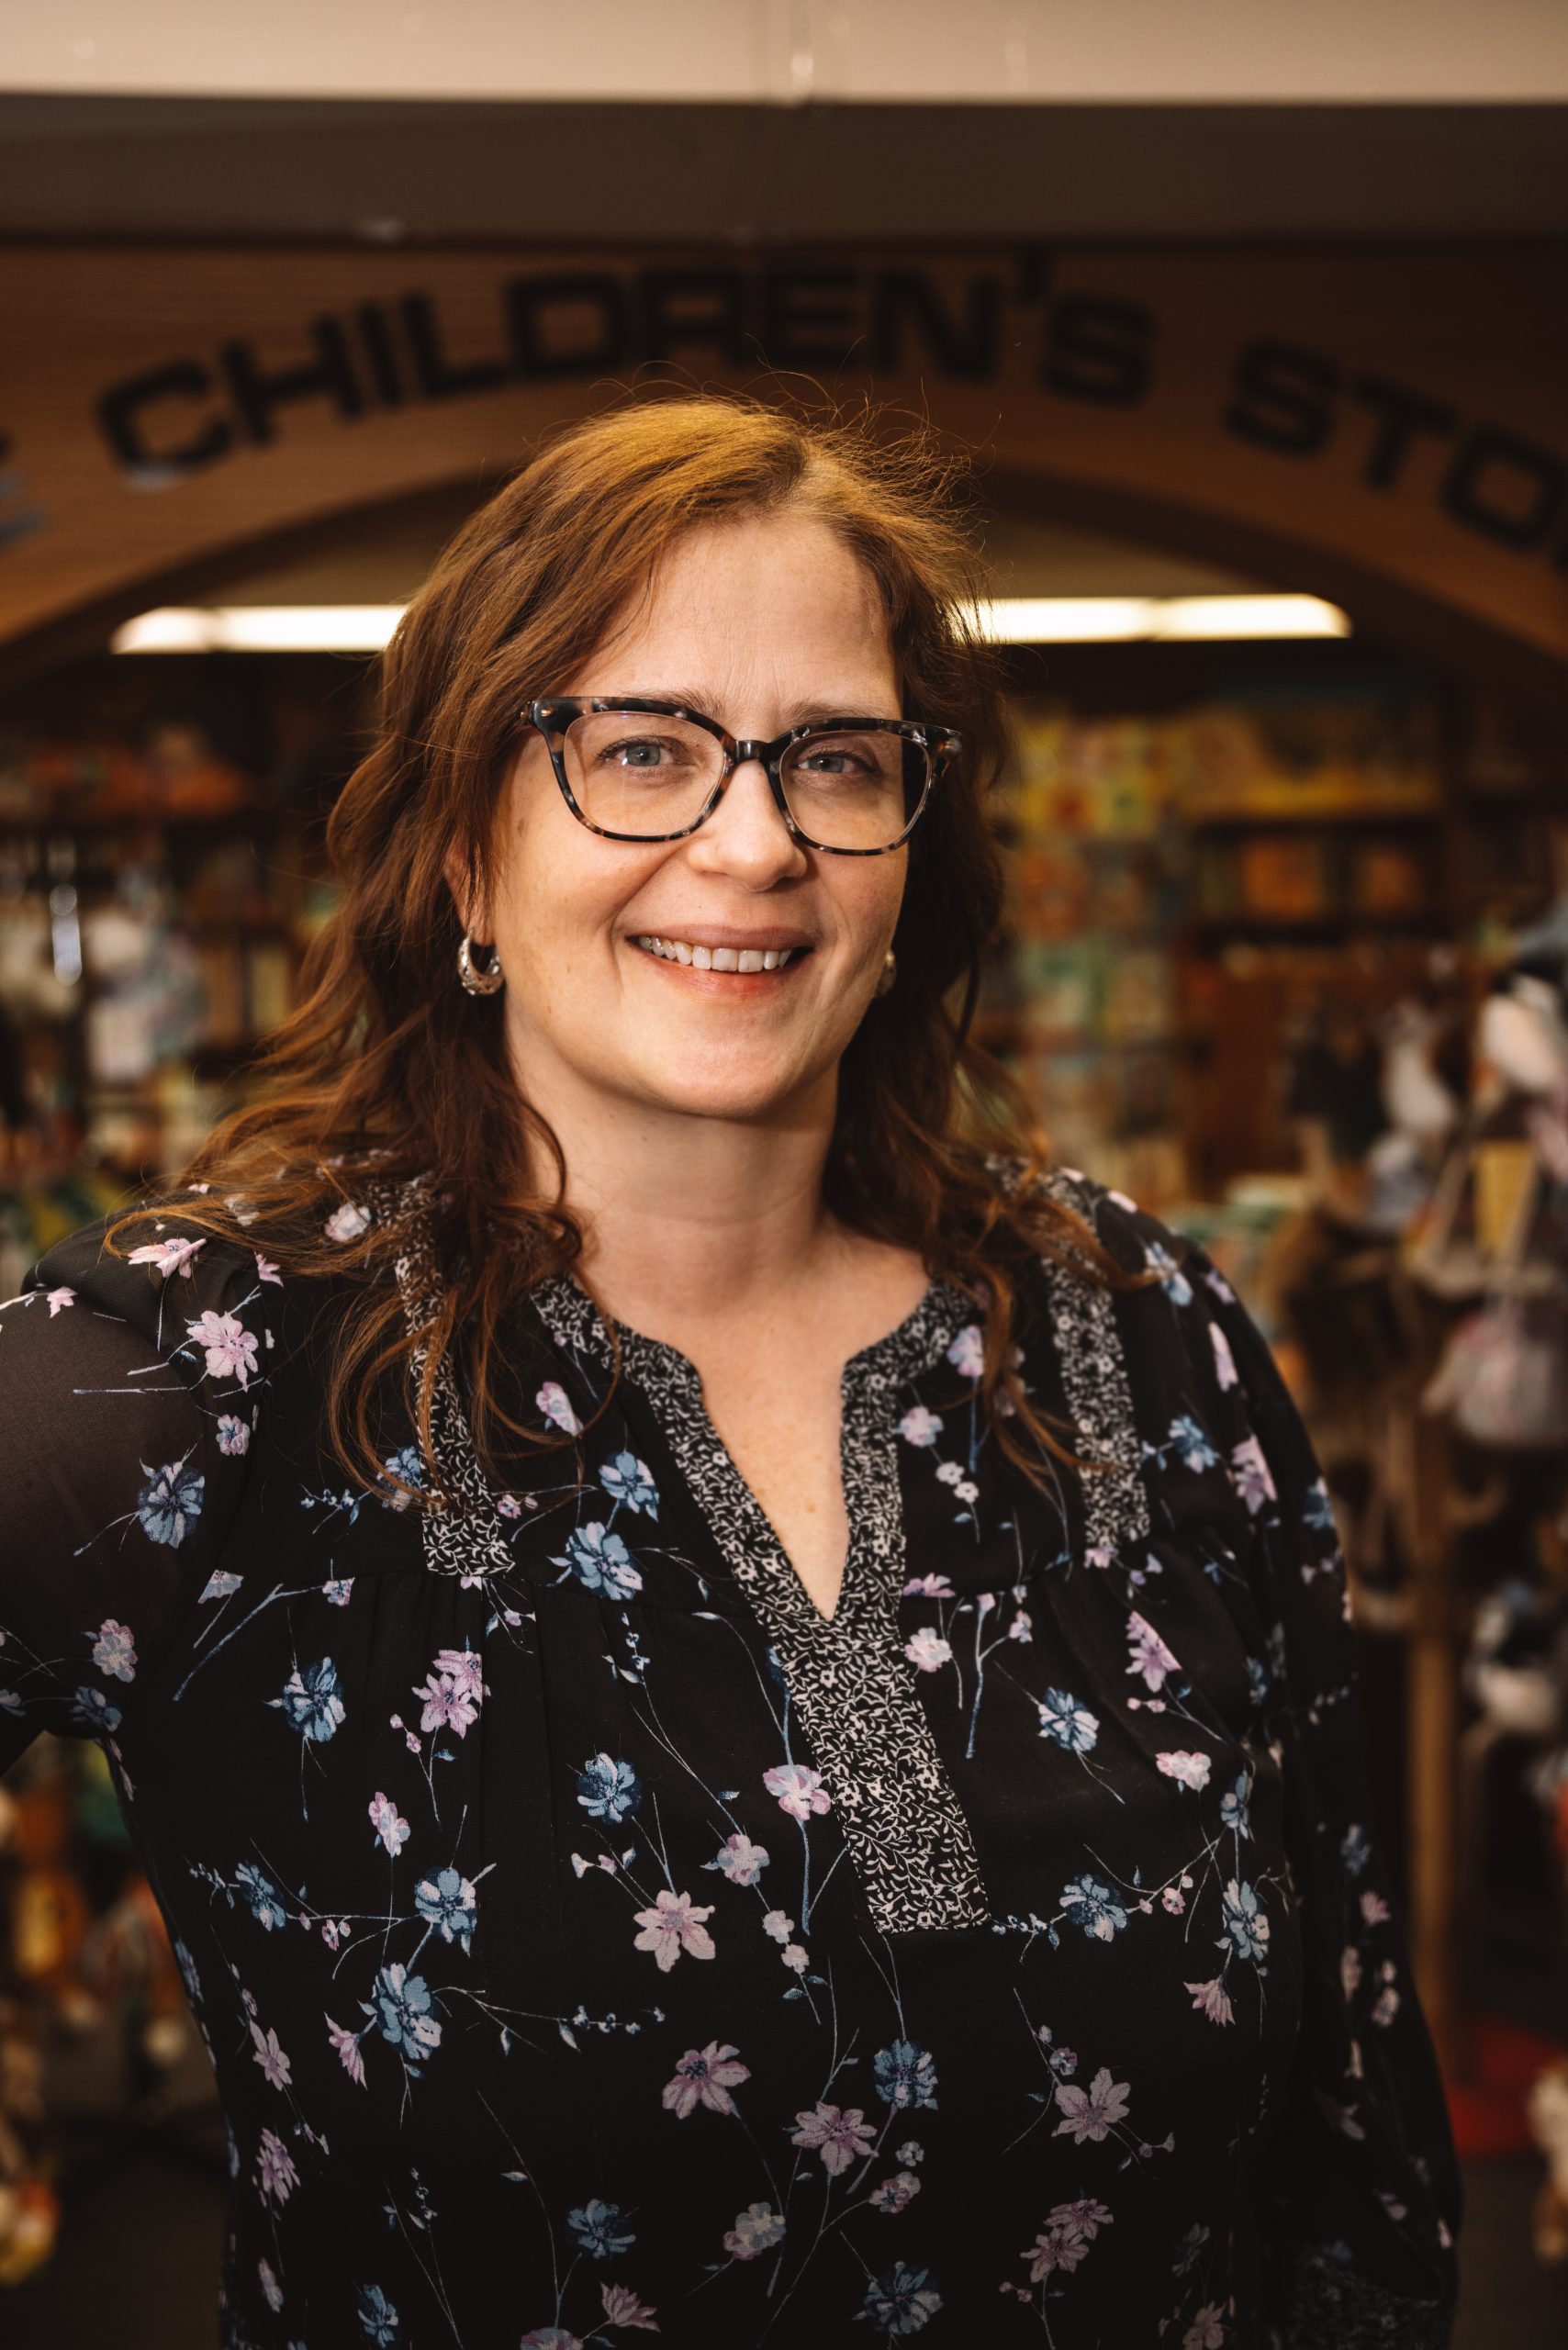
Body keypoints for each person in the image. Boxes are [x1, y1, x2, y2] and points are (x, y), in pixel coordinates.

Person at [0, 397, 1458, 2347]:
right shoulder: (200, 1372)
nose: (752, 838)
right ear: (459, 848)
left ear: (904, 846)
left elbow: (1349, 2113)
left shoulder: (1129, 1329)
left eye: (833, 760)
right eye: (640, 750)